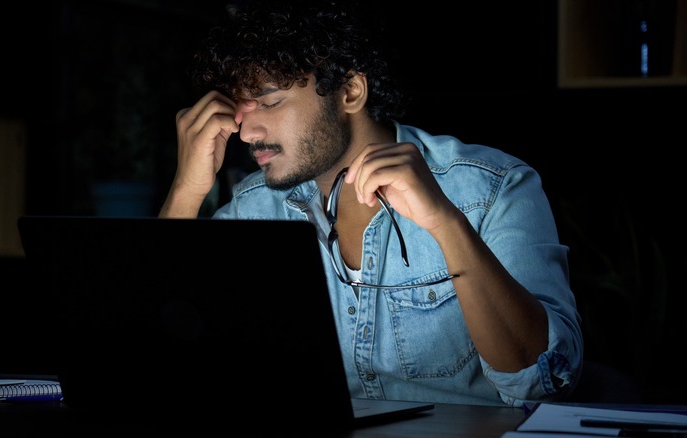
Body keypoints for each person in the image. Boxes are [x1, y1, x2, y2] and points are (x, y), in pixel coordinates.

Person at [159, 0, 583, 407]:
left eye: (269, 101)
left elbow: (542, 381)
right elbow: (157, 348)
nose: (246, 132)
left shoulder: (493, 189)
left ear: (350, 92)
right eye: (239, 107)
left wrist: (444, 223)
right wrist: (185, 190)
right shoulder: (255, 208)